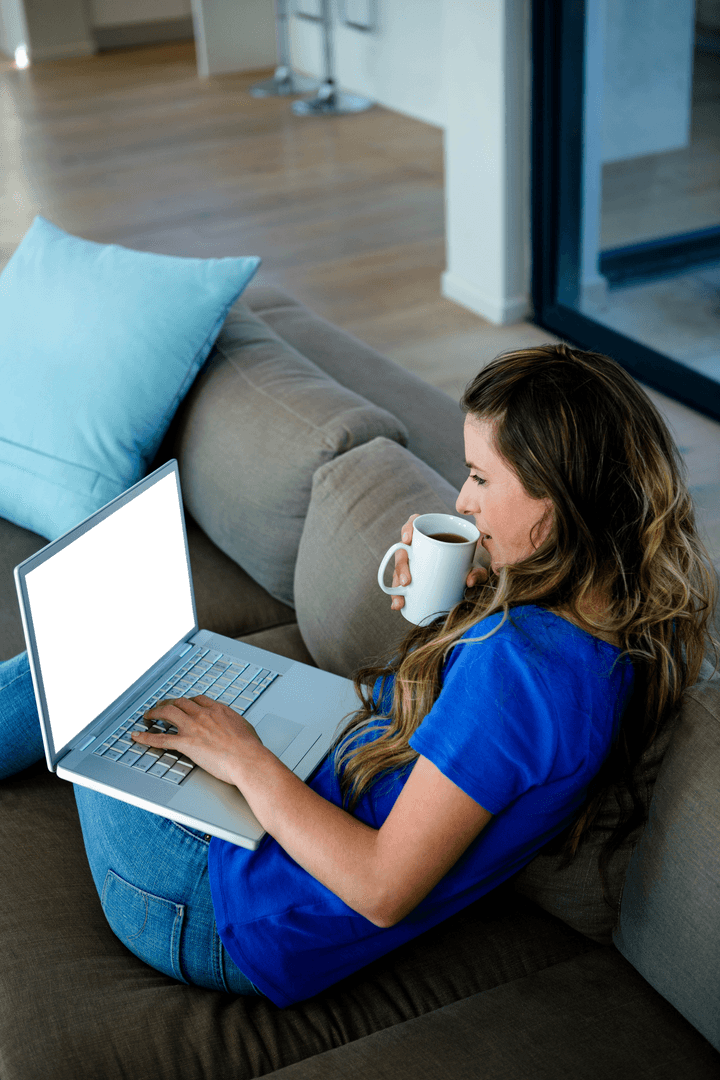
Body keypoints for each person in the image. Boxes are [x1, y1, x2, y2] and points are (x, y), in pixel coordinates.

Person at [1, 343, 715, 1007]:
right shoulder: (608, 626)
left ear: (559, 501)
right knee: (116, 659)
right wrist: (456, 604)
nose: (463, 501)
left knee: (86, 665)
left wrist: (245, 758)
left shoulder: (521, 671)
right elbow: (470, 744)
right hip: (292, 821)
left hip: (219, 908)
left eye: (479, 477)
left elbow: (381, 888)